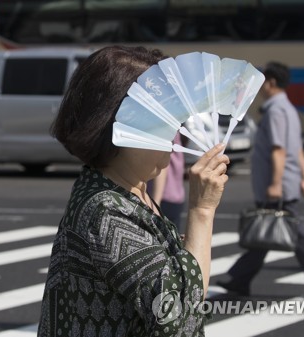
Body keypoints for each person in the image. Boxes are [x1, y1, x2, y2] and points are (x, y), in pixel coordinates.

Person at [37, 46, 229, 337]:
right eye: (160, 123)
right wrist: (202, 211)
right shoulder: (105, 209)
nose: (174, 137)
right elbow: (178, 316)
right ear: (118, 128)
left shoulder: (127, 187)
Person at [217, 61, 304, 298]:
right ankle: (239, 278)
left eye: (262, 82)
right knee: (268, 230)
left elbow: (279, 149)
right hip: (287, 181)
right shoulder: (287, 108)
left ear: (271, 82)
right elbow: (298, 148)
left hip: (277, 184)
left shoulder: (276, 111)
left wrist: (275, 184)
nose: (259, 88)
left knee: (291, 231)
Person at [150, 132, 186, 229]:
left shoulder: (162, 124)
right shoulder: (171, 122)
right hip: (173, 192)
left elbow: (161, 166)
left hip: (163, 195)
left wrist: (156, 202)